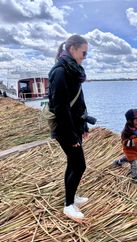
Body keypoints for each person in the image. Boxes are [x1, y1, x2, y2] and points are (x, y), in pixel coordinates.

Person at [48, 35, 90, 220]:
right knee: (79, 165)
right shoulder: (60, 72)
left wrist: (84, 125)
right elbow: (60, 108)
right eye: (84, 52)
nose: (85, 57)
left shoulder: (71, 70)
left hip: (74, 127)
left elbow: (78, 101)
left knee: (72, 163)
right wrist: (72, 137)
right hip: (65, 129)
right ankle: (68, 205)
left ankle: (72, 197)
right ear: (72, 49)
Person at [113, 108, 137, 183]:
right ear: (130, 121)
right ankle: (134, 177)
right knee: (134, 163)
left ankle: (118, 162)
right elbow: (125, 143)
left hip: (135, 149)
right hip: (129, 150)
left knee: (127, 159)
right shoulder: (125, 132)